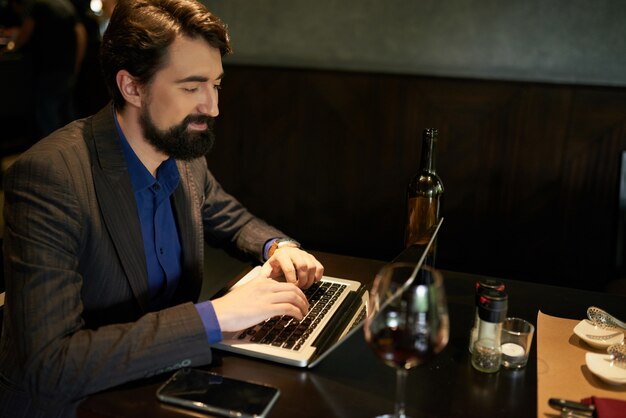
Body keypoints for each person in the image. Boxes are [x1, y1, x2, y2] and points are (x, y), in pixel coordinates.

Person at [0, 0, 323, 416]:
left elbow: (228, 216)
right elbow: (52, 366)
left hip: (157, 386)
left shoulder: (182, 153)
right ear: (132, 87)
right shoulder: (50, 177)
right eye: (191, 88)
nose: (213, 106)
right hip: (73, 404)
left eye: (216, 84)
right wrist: (213, 316)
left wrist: (278, 247)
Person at [0, 0, 87, 138]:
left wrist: (10, 48)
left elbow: (25, 33)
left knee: (48, 116)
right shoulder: (65, 5)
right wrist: (76, 65)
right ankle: (75, 153)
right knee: (67, 115)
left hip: (49, 68)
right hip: (67, 68)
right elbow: (81, 34)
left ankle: (54, 156)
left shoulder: (36, 4)